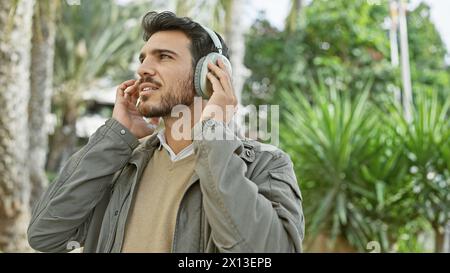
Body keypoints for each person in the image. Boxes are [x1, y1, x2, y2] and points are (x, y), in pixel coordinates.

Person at [27, 11, 304, 253]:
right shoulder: (120, 161)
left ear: (208, 74)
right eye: (143, 58)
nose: (143, 69)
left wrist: (214, 135)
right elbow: (45, 236)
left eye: (164, 57)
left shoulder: (265, 165)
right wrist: (116, 136)